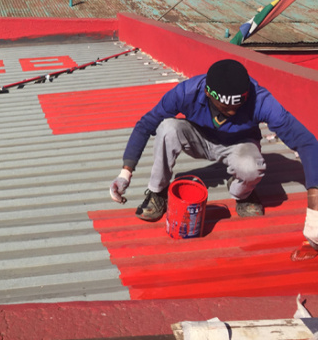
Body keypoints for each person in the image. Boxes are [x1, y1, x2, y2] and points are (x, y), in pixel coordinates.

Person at [109, 59, 318, 261]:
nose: (233, 111)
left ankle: (243, 195)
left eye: (239, 104)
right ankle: (157, 192)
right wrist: (125, 174)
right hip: (199, 139)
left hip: (239, 144)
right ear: (209, 93)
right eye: (226, 107)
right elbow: (146, 124)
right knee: (167, 128)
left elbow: (306, 143)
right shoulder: (186, 92)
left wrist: (315, 198)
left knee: (252, 167)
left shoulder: (261, 100)